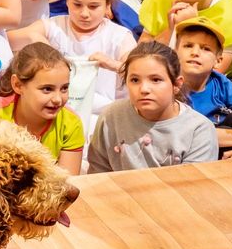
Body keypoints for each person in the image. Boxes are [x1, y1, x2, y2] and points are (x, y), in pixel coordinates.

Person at [11, 0, 134, 102]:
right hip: (58, 108)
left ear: (107, 5)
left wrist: (112, 64)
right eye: (77, 5)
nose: (84, 13)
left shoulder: (119, 36)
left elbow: (138, 72)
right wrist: (32, 37)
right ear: (67, 0)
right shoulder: (54, 26)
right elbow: (6, 39)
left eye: (93, 6)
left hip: (102, 114)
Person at [86, 41, 218, 173]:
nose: (144, 89)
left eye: (156, 80)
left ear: (176, 84)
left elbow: (192, 185)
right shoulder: (111, 116)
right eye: (135, 80)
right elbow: (98, 172)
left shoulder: (199, 130)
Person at [0, 42, 83, 173]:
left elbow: (68, 184)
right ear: (18, 85)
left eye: (64, 88)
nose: (58, 99)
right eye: (47, 89)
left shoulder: (71, 123)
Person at [173, 17, 232, 155]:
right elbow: (182, 135)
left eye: (205, 48)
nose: (195, 52)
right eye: (188, 45)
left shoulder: (221, 83)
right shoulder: (168, 84)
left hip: (220, 148)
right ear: (175, 52)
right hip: (181, 150)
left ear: (218, 60)